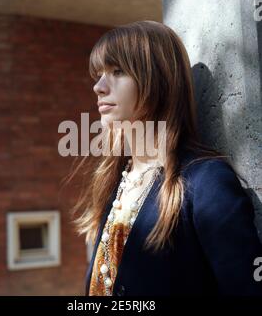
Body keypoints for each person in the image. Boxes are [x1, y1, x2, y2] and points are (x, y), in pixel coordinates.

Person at [68, 20, 262, 296]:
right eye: (98, 74)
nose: (98, 86)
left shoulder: (206, 182)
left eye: (118, 71)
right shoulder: (116, 177)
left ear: (157, 79)